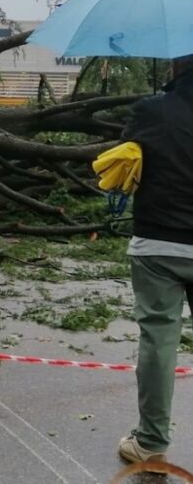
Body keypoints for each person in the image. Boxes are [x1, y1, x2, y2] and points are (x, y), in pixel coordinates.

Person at [119, 53, 193, 464]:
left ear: (175, 65)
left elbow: (126, 154)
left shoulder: (150, 110)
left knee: (160, 342)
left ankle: (149, 443)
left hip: (159, 245)